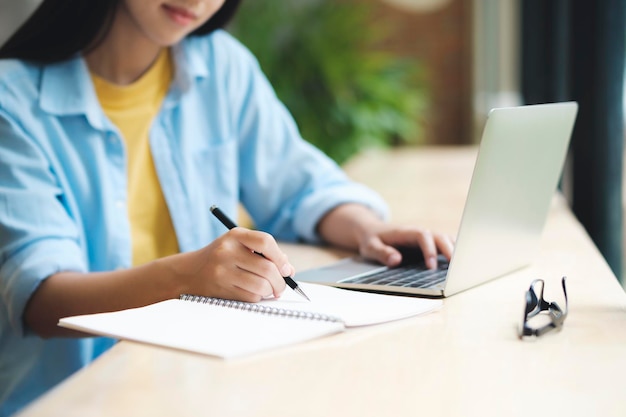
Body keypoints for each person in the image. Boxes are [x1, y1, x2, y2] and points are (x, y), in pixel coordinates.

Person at [0, 0, 454, 414]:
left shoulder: (221, 65)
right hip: (72, 397)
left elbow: (297, 184)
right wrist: (186, 277)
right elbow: (42, 300)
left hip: (194, 382)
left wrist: (365, 228)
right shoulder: (11, 101)